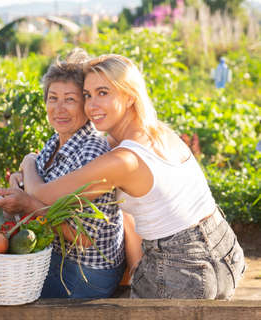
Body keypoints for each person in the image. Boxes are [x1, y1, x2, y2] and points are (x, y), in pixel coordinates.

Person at [16, 54, 245, 299]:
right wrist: (136, 266)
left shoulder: (122, 160)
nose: (91, 105)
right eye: (87, 95)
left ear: (129, 95)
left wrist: (29, 161)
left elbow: (41, 195)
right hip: (227, 254)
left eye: (103, 93)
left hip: (182, 272)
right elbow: (130, 212)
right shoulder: (158, 132)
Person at [0, 49, 130, 299]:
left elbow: (82, 238)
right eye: (52, 98)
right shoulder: (56, 141)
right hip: (59, 258)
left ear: (86, 105)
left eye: (70, 99)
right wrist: (20, 181)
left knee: (7, 295)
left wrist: (28, 201)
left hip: (86, 271)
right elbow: (37, 188)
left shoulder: (91, 152)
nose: (59, 109)